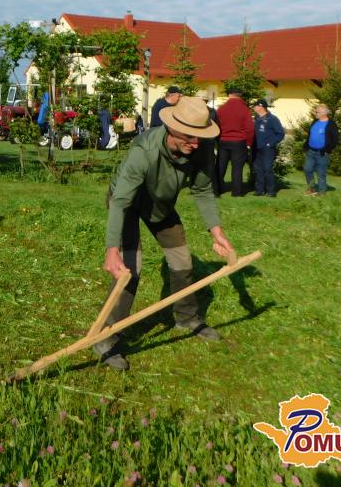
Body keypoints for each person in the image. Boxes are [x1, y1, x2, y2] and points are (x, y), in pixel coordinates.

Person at [95, 95, 236, 371]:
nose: (196, 143)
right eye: (190, 137)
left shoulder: (201, 148)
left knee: (182, 260)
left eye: (200, 137)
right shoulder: (145, 151)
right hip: (127, 203)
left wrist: (216, 231)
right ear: (172, 129)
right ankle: (106, 339)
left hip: (160, 207)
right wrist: (112, 250)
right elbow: (120, 201)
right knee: (129, 269)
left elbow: (202, 190)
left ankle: (187, 318)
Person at [216, 87, 254, 197]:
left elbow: (216, 126)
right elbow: (250, 129)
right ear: (240, 95)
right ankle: (236, 192)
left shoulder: (221, 109)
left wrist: (218, 139)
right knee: (237, 168)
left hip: (223, 140)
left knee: (220, 166)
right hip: (239, 141)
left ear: (229, 95)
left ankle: (217, 190)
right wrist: (249, 143)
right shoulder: (244, 109)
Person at [252, 98, 285, 197]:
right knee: (258, 169)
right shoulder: (255, 119)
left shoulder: (272, 119)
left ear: (261, 107)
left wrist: (270, 144)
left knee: (267, 169)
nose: (254, 107)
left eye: (255, 106)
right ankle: (259, 190)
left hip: (267, 149)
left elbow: (280, 133)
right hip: (256, 148)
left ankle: (271, 191)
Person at [304, 104, 339, 196]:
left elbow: (335, 139)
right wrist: (306, 146)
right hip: (311, 151)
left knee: (321, 173)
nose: (315, 113)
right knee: (307, 169)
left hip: (323, 153)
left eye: (317, 112)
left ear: (324, 113)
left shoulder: (331, 124)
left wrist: (328, 149)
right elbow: (310, 134)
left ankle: (321, 192)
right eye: (316, 112)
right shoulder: (315, 122)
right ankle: (312, 188)